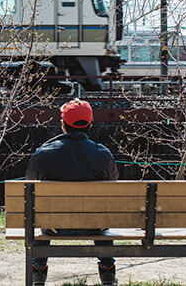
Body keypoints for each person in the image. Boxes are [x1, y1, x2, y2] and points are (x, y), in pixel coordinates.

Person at [25, 98, 119, 286]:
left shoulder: (43, 153)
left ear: (63, 124)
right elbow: (114, 186)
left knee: (44, 215)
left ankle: (38, 272)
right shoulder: (103, 154)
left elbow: (29, 185)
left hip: (54, 225)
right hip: (94, 224)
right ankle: (108, 272)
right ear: (90, 124)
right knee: (101, 215)